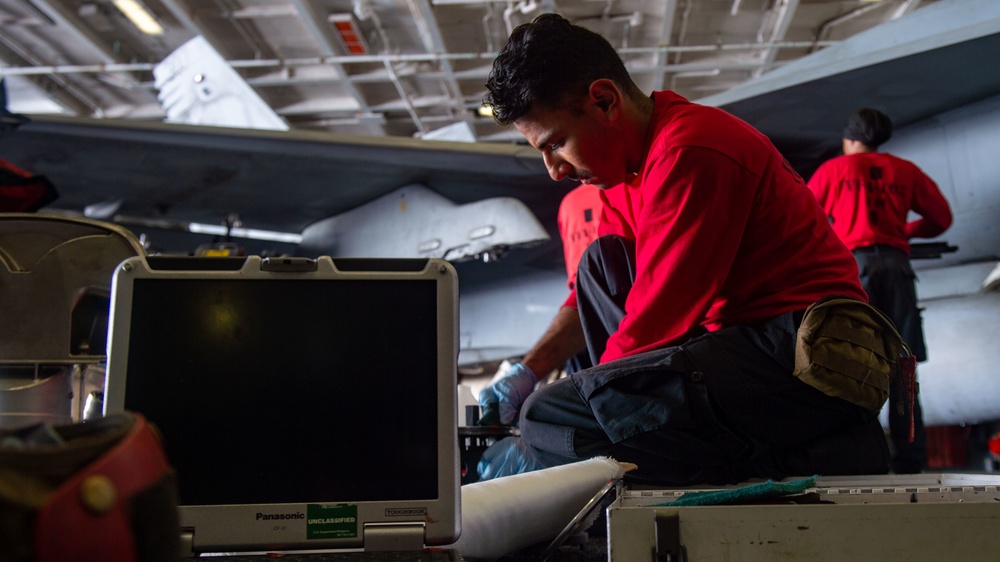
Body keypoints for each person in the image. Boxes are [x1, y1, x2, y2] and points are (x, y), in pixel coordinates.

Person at [476, 13, 895, 484]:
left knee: (549, 419)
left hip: (799, 354)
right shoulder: (626, 175)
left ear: (604, 100)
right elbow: (594, 300)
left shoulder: (692, 150)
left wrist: (563, 418)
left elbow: (656, 321)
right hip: (742, 348)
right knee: (602, 265)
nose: (553, 170)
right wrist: (529, 370)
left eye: (556, 144)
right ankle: (693, 447)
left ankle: (794, 458)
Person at [807, 108, 953, 474]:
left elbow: (807, 217)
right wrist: (906, 231)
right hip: (898, 269)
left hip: (855, 271)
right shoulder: (906, 171)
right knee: (903, 368)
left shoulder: (833, 170)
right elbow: (941, 218)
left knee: (852, 360)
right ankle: (911, 462)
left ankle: (862, 458)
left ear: (850, 138)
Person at [477, 184, 602, 426]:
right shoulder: (578, 203)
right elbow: (588, 293)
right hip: (589, 328)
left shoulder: (574, 203)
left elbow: (590, 290)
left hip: (604, 335)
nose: (555, 171)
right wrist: (529, 370)